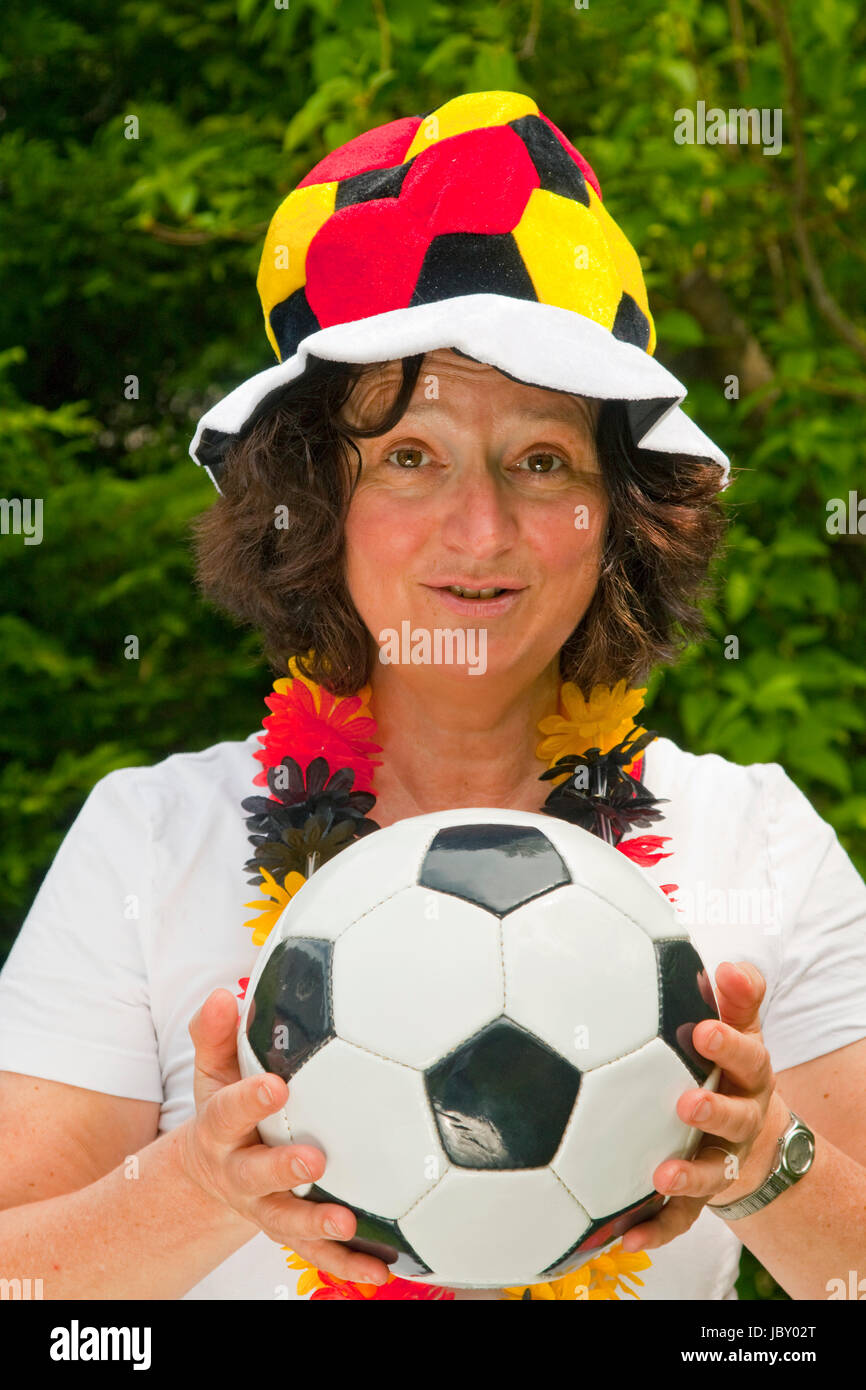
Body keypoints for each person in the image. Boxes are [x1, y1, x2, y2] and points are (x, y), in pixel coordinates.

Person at [1, 90, 865, 1303]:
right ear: (314, 496)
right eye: (410, 454)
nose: (480, 527)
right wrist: (197, 1186)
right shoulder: (149, 839)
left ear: (618, 516)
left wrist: (766, 1159)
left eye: (542, 460)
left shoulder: (755, 840)